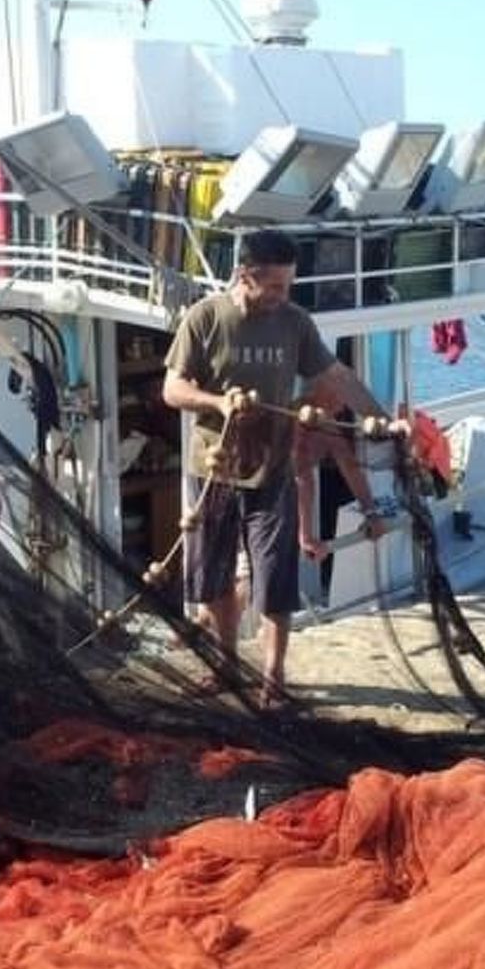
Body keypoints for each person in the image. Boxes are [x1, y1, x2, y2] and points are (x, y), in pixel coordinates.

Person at [164, 231, 385, 708]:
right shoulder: (205, 318)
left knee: (274, 578)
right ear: (245, 276)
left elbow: (338, 376)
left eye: (288, 285)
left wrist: (382, 420)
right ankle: (226, 666)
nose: (284, 295)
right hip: (213, 472)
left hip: (272, 473)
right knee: (213, 577)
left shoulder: (295, 322)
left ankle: (273, 677)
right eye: (276, 287)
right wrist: (217, 403)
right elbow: (172, 389)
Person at [295, 415, 388, 563]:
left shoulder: (326, 425)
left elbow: (348, 464)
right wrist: (305, 535)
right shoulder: (295, 428)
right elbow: (303, 475)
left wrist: (371, 513)